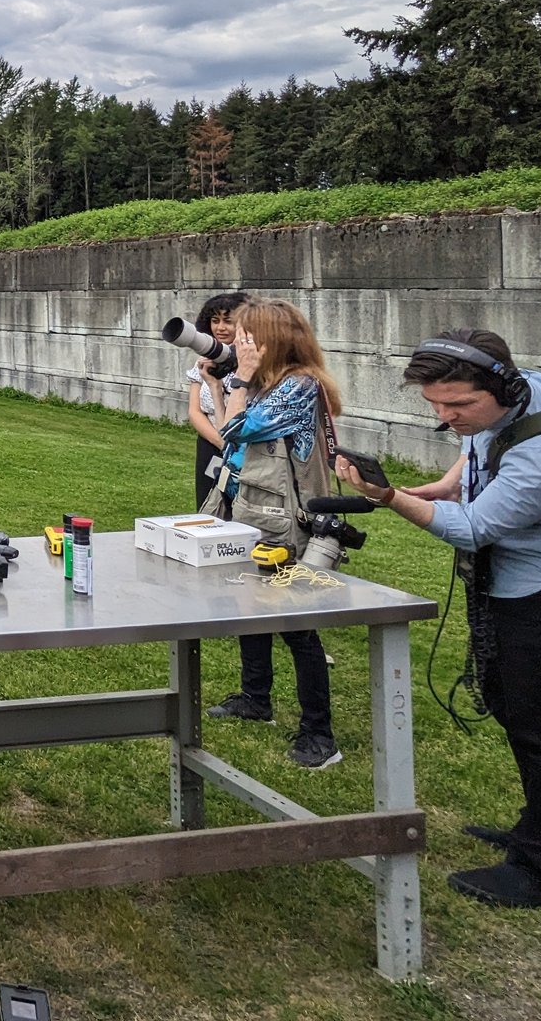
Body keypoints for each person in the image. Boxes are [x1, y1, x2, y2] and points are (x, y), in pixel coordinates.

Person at [337, 329, 541, 909]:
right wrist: (419, 489)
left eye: (459, 405)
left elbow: (472, 527)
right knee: (523, 712)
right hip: (527, 591)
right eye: (435, 405)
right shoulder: (521, 400)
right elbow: (467, 476)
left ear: (503, 385)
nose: (446, 418)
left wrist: (391, 499)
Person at [202, 298, 343, 771]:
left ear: (270, 341)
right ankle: (255, 697)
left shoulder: (300, 387)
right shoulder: (271, 384)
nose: (237, 342)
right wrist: (223, 379)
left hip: (285, 520)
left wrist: (237, 378)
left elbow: (237, 430)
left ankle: (319, 733)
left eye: (245, 335)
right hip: (253, 509)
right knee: (249, 606)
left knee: (295, 623)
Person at [186, 291, 248, 506]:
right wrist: (220, 442)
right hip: (210, 443)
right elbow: (194, 411)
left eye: (228, 321)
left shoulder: (251, 362)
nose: (220, 327)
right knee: (207, 505)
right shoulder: (204, 361)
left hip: (243, 447)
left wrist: (229, 445)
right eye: (215, 321)